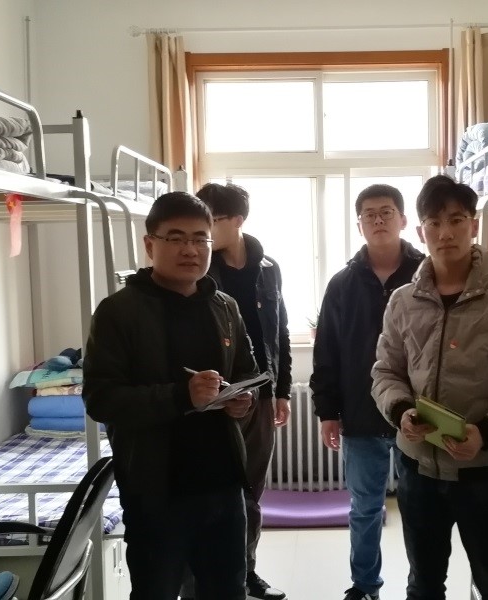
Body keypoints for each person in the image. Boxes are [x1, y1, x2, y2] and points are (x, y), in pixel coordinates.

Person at [371, 175, 488, 600]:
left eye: (455, 220)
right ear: (421, 232)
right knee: (423, 582)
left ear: (473, 225)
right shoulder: (402, 301)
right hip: (417, 468)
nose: (445, 232)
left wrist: (486, 433)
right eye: (434, 223)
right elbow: (385, 371)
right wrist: (400, 412)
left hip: (483, 473)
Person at [83, 191, 257, 600]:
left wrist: (241, 399)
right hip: (156, 490)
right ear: (150, 245)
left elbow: (246, 372)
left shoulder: (225, 307)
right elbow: (101, 399)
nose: (190, 250)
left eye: (200, 239)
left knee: (227, 591)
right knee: (156, 591)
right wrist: (181, 396)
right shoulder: (118, 312)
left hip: (223, 484)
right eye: (176, 238)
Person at [311, 184, 425, 600]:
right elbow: (327, 350)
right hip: (360, 414)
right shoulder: (342, 284)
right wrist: (328, 411)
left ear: (403, 220)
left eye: (387, 212)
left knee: (420, 510)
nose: (378, 220)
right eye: (369, 214)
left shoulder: (427, 274)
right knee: (364, 508)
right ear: (358, 224)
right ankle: (364, 585)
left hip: (419, 416)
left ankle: (421, 586)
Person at [195, 182, 292, 600]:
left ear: (237, 220)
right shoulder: (200, 269)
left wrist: (282, 390)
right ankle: (211, 579)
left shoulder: (268, 268)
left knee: (252, 491)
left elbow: (279, 330)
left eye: (212, 220)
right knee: (214, 493)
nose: (204, 230)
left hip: (261, 391)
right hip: (213, 397)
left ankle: (247, 572)